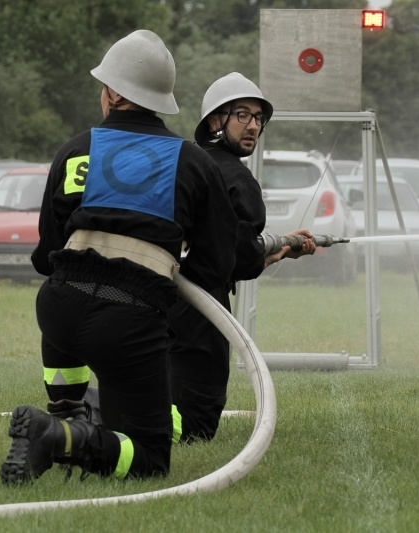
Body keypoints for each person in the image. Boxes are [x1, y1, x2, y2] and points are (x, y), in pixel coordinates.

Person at [0, 30, 238, 484]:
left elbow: (47, 252)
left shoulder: (75, 149)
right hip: (128, 321)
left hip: (58, 312)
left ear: (111, 92)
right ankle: (59, 436)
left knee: (66, 309)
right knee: (150, 458)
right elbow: (216, 264)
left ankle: (67, 413)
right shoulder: (192, 162)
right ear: (159, 99)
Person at [167, 72, 316, 443]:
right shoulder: (238, 179)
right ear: (216, 121)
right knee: (198, 423)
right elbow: (242, 259)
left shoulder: (184, 163)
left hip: (157, 295)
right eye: (243, 116)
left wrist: (276, 247)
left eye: (258, 118)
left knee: (155, 394)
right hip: (202, 309)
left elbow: (221, 242)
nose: (254, 126)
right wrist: (279, 253)